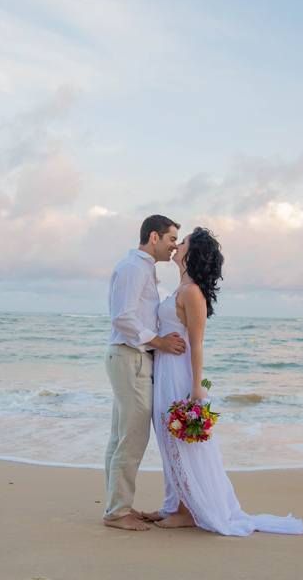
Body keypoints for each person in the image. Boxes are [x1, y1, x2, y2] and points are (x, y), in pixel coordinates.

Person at [137, 227, 303, 536]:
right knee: (166, 438)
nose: (177, 245)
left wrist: (196, 387)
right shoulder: (180, 287)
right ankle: (174, 503)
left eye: (183, 241)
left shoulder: (193, 292)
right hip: (165, 370)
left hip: (179, 374)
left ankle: (188, 511)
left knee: (180, 441)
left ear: (193, 252)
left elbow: (198, 345)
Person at [103, 214, 188, 531]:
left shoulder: (143, 269)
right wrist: (160, 342)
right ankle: (116, 512)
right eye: (171, 239)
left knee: (122, 435)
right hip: (130, 357)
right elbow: (122, 318)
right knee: (133, 437)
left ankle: (117, 506)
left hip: (132, 357)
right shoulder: (132, 268)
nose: (174, 245)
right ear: (154, 237)